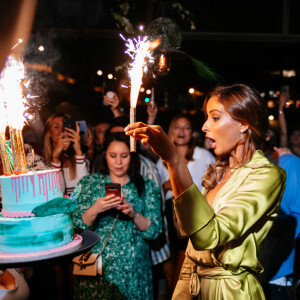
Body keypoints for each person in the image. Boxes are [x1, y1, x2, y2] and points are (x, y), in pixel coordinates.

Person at [125, 83, 286, 299]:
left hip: (231, 292)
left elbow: (209, 235)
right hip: (197, 288)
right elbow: (190, 238)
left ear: (243, 124)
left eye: (215, 117)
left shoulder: (267, 175)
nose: (204, 126)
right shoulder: (218, 173)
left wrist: (174, 160)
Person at [72, 132, 162, 300]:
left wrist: (134, 214)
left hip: (134, 272)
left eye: (124, 156)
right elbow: (76, 228)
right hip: (97, 270)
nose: (119, 162)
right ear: (105, 155)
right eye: (113, 156)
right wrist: (96, 209)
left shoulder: (146, 186)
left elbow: (155, 231)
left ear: (132, 157)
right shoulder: (89, 183)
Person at [156, 114, 215, 294]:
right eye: (177, 127)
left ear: (192, 133)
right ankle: (173, 291)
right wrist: (164, 186)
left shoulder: (203, 155)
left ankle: (181, 293)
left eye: (186, 127)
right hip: (168, 213)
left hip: (194, 212)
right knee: (170, 257)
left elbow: (212, 185)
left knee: (187, 258)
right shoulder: (162, 158)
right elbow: (156, 189)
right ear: (170, 132)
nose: (181, 131)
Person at [43, 113, 90, 196]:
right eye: (56, 127)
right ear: (49, 133)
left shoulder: (81, 159)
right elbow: (56, 194)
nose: (62, 131)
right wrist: (55, 158)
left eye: (65, 126)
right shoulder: (41, 164)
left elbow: (86, 190)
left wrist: (79, 152)